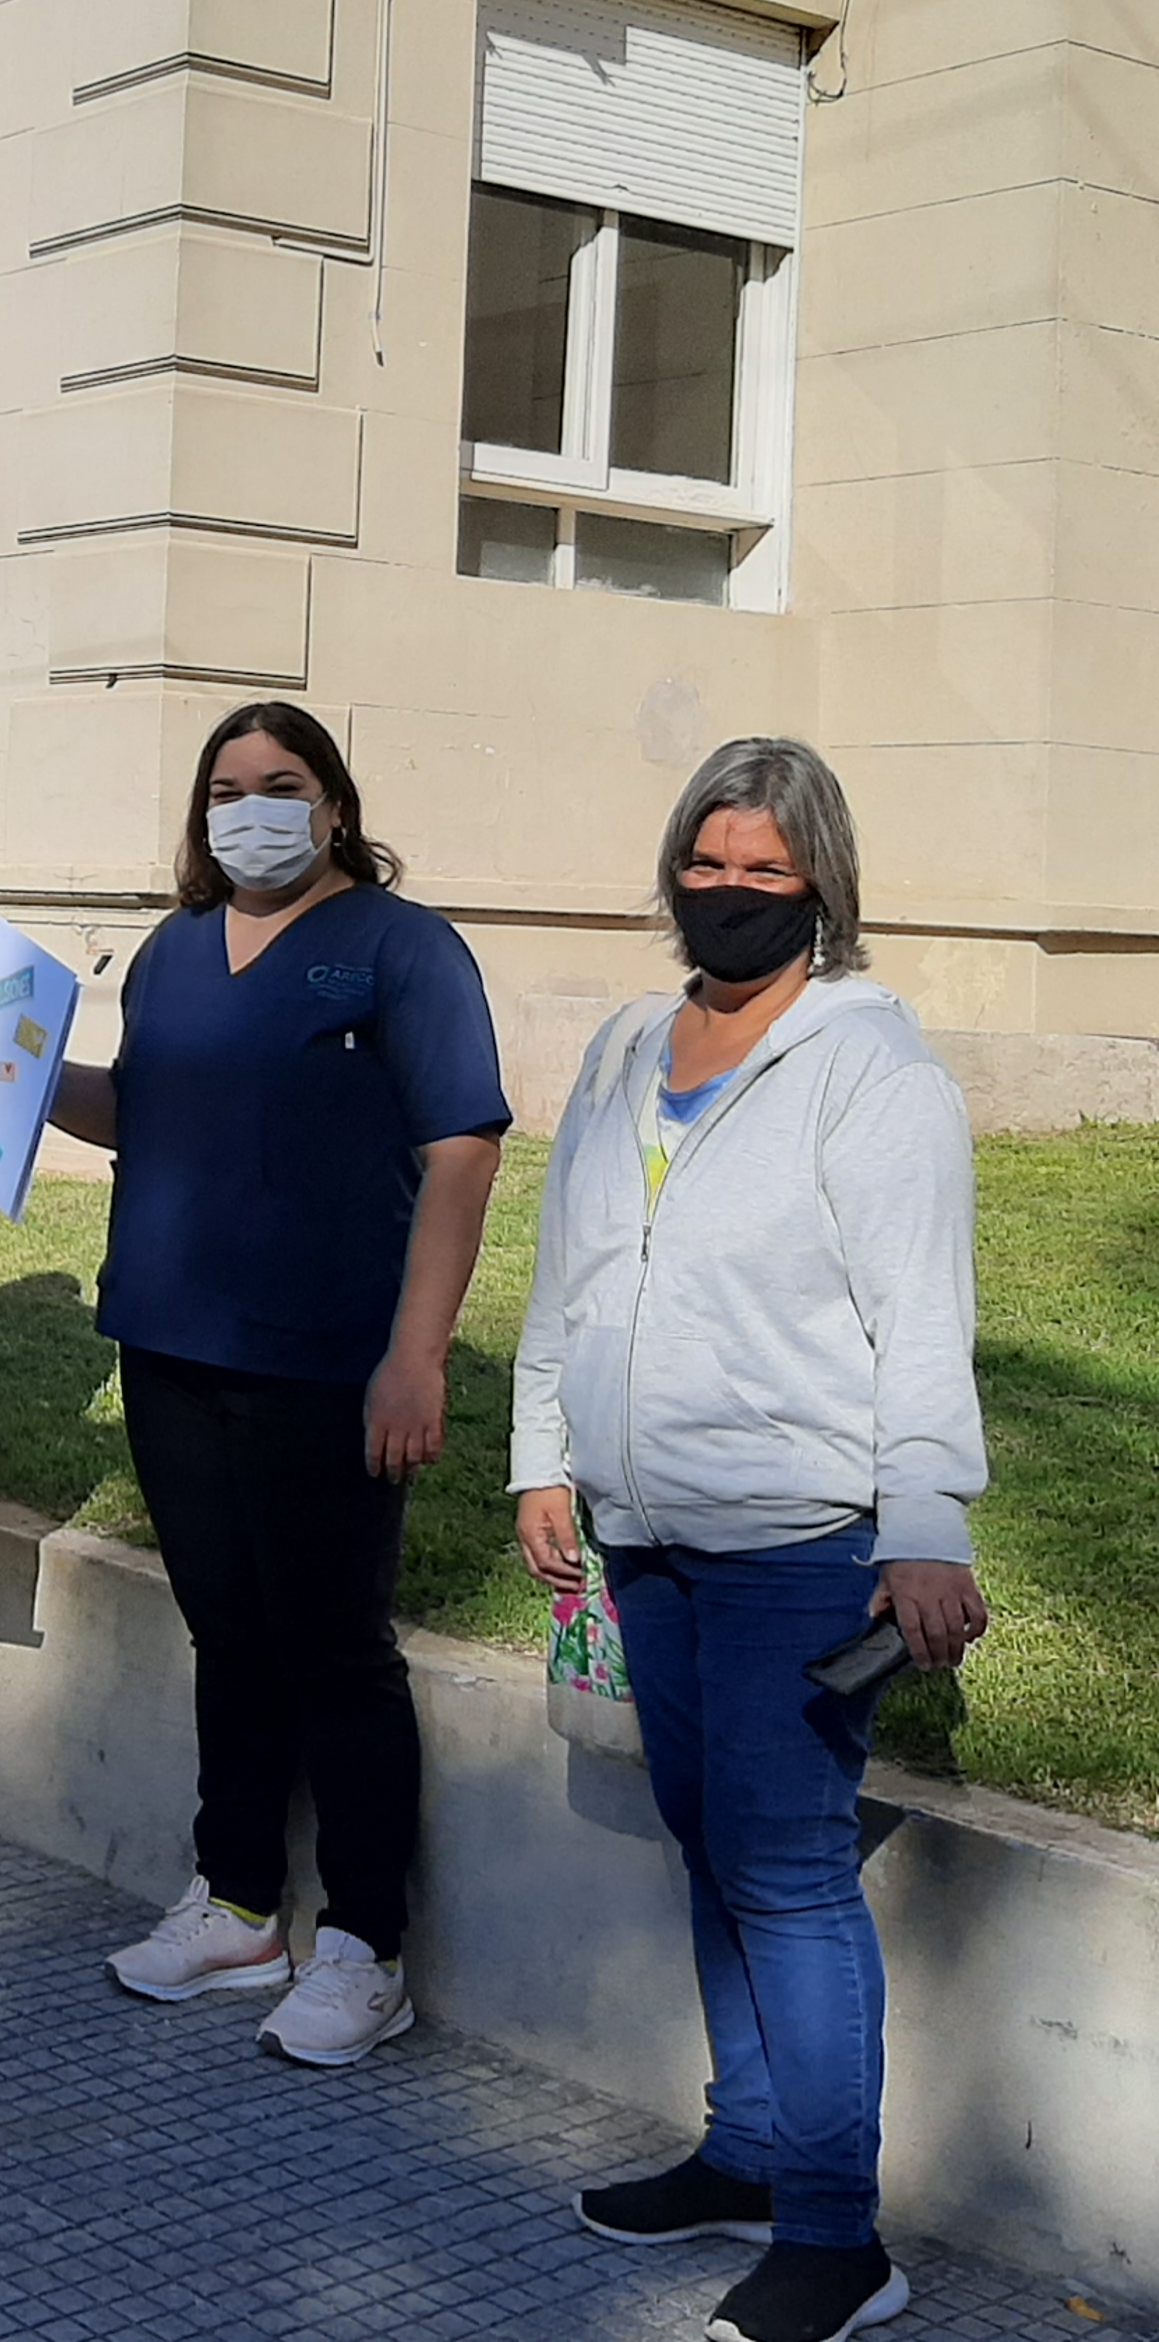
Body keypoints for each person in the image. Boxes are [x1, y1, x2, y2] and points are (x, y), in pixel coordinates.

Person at [512, 738, 986, 2342]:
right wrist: (540, 1458)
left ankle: (840, 2236)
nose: (727, 892)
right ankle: (748, 2147)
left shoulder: (874, 1070)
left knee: (787, 1875)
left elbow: (923, 1322)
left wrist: (925, 1529)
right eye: (706, 864)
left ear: (821, 891)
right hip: (644, 1526)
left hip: (801, 1539)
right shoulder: (631, 1045)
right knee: (711, 1846)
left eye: (763, 873)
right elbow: (568, 1264)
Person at [50, 700, 506, 2067]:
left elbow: (463, 1150)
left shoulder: (401, 950)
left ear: (336, 805)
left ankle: (367, 1945)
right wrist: (17, 1079)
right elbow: (149, 1111)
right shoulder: (177, 951)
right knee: (227, 1631)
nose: (254, 809)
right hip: (174, 1343)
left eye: (284, 784)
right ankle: (241, 1902)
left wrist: (414, 1355)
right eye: (229, 788)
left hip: (326, 1357)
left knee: (333, 1648)